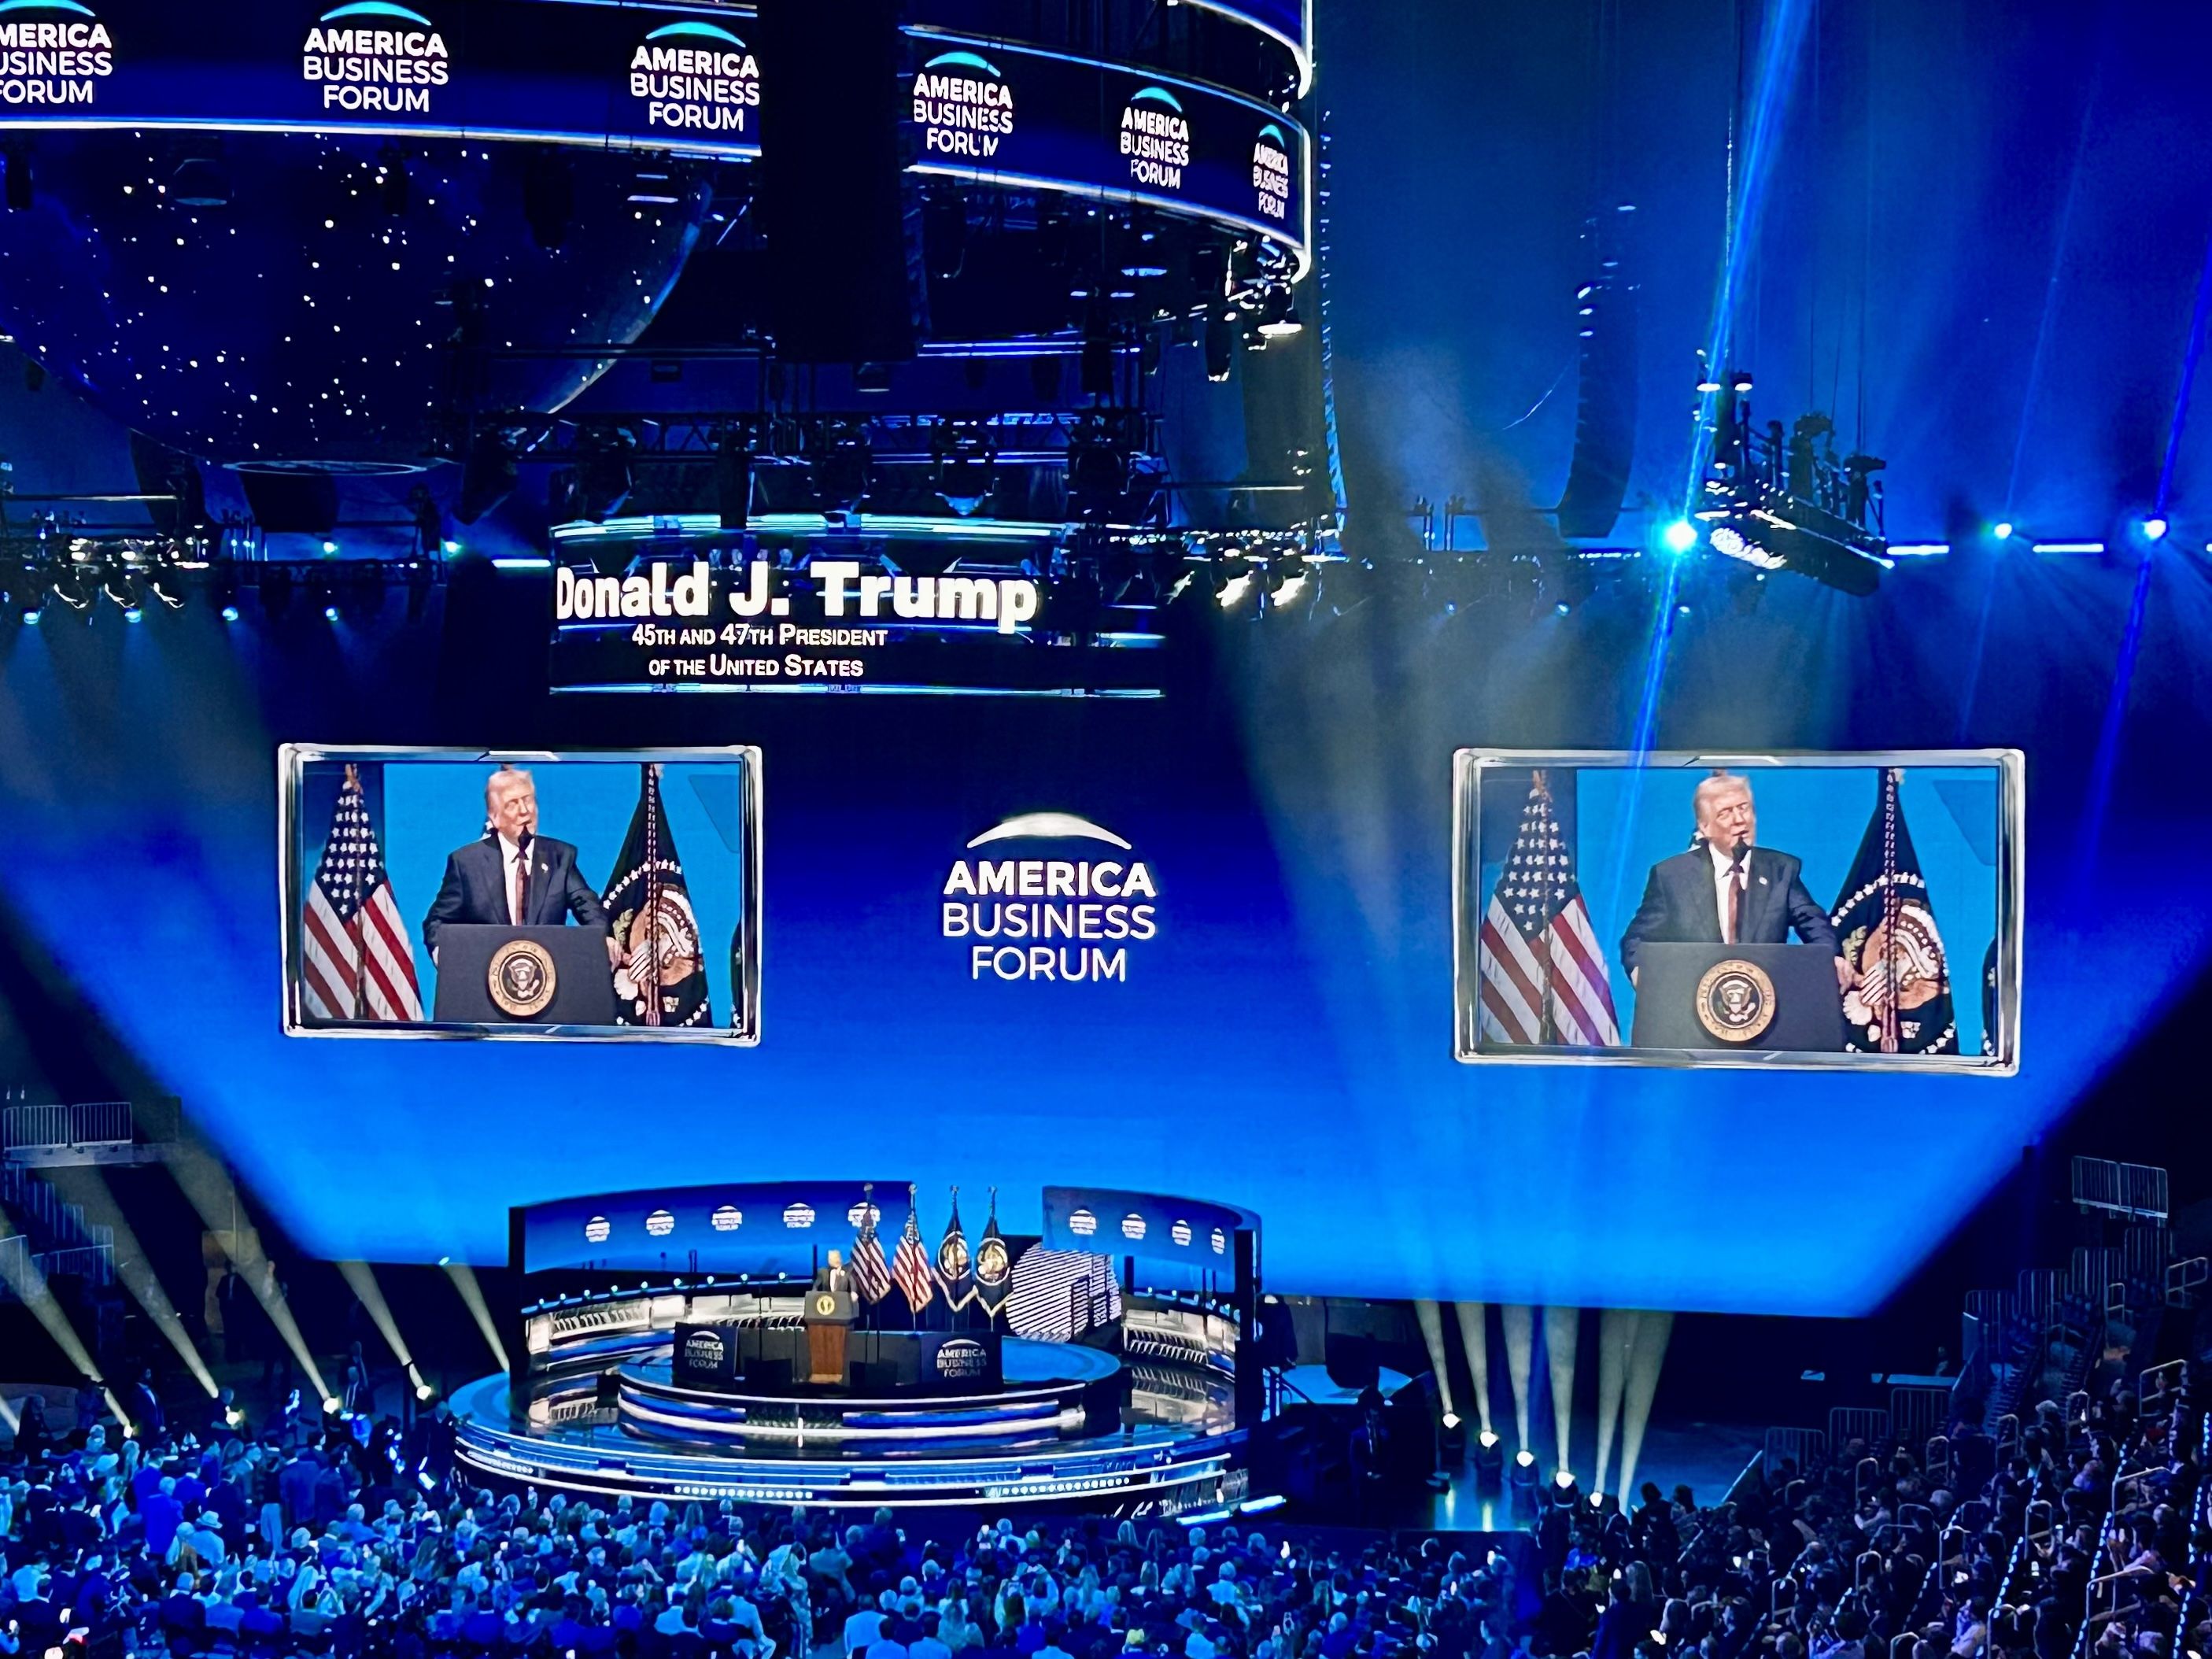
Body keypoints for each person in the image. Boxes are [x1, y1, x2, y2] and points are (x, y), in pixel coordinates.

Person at [1618, 770, 1852, 991]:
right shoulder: (1672, 876)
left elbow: (1813, 923)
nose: (1740, 820)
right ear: (1705, 827)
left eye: (1744, 808)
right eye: (1725, 813)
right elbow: (1637, 939)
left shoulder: (1781, 870)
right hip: (1693, 1003)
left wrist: (1830, 957)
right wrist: (1641, 970)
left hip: (1766, 1000)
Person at [419, 767, 618, 966]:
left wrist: (602, 936)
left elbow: (588, 906)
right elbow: (437, 921)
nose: (525, 811)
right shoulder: (467, 864)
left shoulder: (560, 857)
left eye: (528, 800)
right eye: (513, 804)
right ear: (495, 816)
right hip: (485, 974)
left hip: (547, 974)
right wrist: (442, 952)